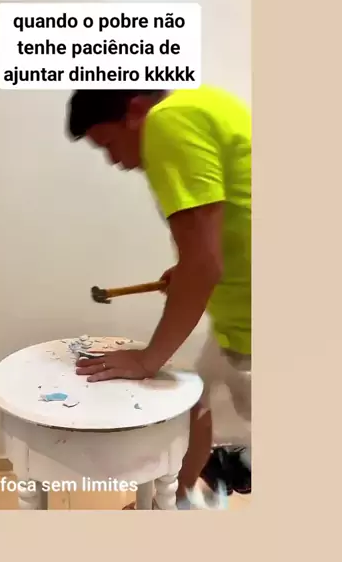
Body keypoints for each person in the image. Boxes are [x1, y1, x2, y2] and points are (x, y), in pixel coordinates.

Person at [66, 87, 251, 509]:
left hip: (255, 326)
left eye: (108, 143)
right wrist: (188, 271)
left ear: (135, 109)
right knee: (198, 405)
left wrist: (148, 359)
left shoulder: (168, 120)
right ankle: (176, 501)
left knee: (218, 418)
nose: (113, 160)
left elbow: (204, 264)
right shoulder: (205, 102)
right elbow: (226, 230)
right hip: (240, 317)